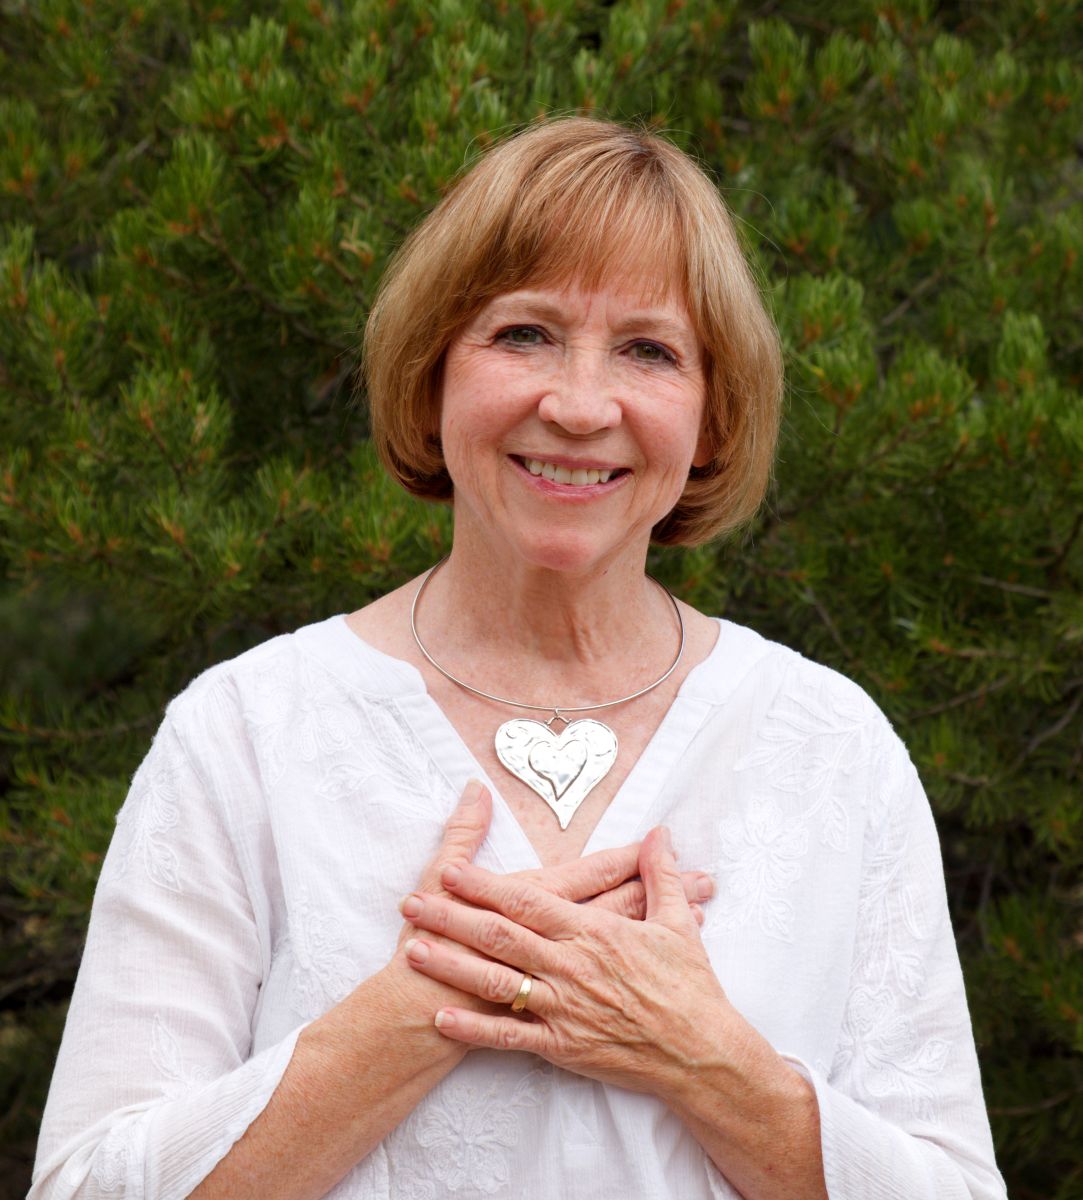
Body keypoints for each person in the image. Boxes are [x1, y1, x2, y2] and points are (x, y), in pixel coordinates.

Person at [31, 118, 1007, 1200]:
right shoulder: (248, 731)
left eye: (648, 350)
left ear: (714, 416)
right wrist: (421, 1006)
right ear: (432, 374)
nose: (580, 406)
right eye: (525, 334)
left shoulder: (830, 748)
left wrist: (708, 1061)